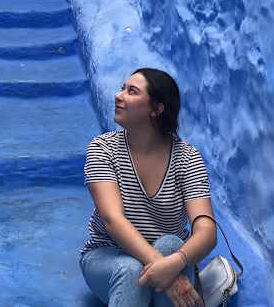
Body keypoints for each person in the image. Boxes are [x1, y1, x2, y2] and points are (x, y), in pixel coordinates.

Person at [79, 68, 216, 307]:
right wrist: (162, 268)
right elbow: (113, 219)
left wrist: (175, 262)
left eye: (132, 91)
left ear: (156, 109)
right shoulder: (103, 149)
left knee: (171, 244)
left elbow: (206, 229)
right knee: (130, 269)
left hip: (168, 254)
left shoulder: (187, 158)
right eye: (123, 88)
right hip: (108, 255)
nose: (119, 96)